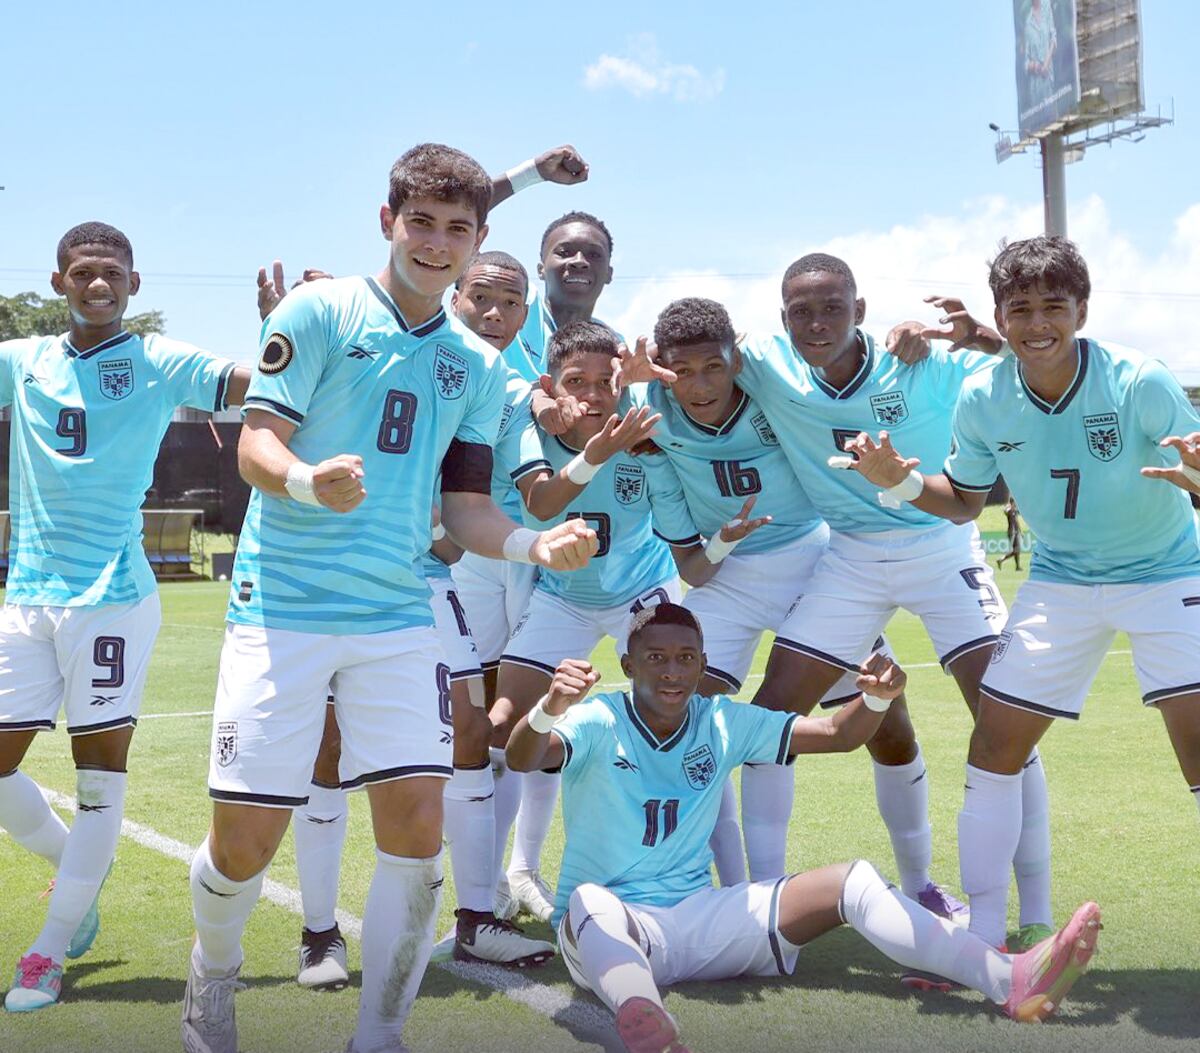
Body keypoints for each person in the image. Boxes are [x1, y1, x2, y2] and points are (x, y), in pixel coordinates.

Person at [183, 143, 597, 1053]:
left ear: (481, 238)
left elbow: (468, 507)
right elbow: (257, 444)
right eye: (422, 222)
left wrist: (536, 543)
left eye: (459, 229)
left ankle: (379, 1037)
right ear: (388, 222)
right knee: (244, 846)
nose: (438, 243)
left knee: (418, 833)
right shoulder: (320, 310)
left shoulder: (479, 368)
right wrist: (302, 480)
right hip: (281, 608)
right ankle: (211, 980)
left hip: (399, 616)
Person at [507, 604, 1102, 1052]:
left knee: (853, 881)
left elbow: (838, 736)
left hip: (698, 918)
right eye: (656, 658)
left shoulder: (722, 719)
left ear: (703, 664)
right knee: (587, 900)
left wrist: (875, 700)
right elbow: (523, 756)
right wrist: (548, 708)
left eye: (686, 658)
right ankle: (643, 1015)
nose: (672, 672)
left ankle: (1009, 979)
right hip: (606, 929)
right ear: (628, 664)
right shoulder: (596, 716)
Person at [843, 234, 1200, 955]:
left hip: (1168, 574)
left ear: (1082, 310)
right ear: (1000, 318)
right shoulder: (982, 394)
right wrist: (901, 483)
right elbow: (965, 501)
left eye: (1053, 306)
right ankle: (981, 938)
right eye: (1020, 308)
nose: (1038, 323)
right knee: (994, 744)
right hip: (1062, 581)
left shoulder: (1139, 379)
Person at [0, 222, 249, 1013]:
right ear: (59, 281)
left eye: (111, 272)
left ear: (134, 285)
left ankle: (47, 949)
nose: (97, 283)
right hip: (26, 597)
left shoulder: (156, 360)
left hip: (113, 596)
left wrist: (283, 327)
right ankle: (82, 864)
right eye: (82, 271)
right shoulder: (22, 360)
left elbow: (248, 381)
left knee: (99, 778)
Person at [490, 320, 764, 920]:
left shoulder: (647, 437)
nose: (590, 395)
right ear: (550, 385)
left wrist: (720, 542)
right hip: (564, 595)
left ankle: (738, 888)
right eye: (574, 382)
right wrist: (597, 449)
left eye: (605, 382)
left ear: (624, 384)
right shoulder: (529, 426)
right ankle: (500, 885)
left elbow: (692, 557)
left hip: (643, 594)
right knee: (509, 725)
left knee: (696, 731)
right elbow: (542, 504)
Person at [636, 297, 903, 886]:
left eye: (713, 366)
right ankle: (745, 891)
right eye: (682, 371)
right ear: (663, 369)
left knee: (889, 724)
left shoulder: (769, 385)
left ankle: (920, 882)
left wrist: (902, 338)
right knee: (675, 719)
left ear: (735, 357)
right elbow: (694, 570)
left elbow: (837, 365)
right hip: (724, 578)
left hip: (812, 566)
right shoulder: (648, 411)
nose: (700, 384)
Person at [995, 495, 1024, 572]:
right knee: (1016, 549)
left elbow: (1017, 522)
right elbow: (1006, 511)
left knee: (1017, 549)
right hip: (1012, 532)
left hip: (1016, 531)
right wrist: (1008, 506)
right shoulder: (1010, 510)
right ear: (1012, 502)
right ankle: (1001, 559)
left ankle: (1017, 567)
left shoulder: (1014, 511)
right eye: (1015, 502)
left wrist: (1021, 532)